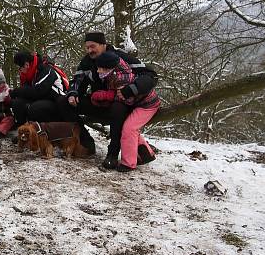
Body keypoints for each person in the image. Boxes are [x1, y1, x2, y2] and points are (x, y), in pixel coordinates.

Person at [58, 32, 158, 169]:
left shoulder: (120, 57)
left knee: (118, 108)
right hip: (100, 102)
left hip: (124, 103)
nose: (89, 50)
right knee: (63, 102)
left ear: (103, 45)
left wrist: (132, 89)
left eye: (92, 46)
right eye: (86, 47)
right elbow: (77, 81)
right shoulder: (87, 62)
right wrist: (73, 93)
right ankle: (85, 143)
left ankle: (112, 154)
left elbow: (150, 76)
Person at [90, 51, 159, 172]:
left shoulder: (122, 78)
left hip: (147, 105)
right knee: (126, 127)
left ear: (109, 68)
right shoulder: (115, 71)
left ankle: (128, 163)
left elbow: (125, 99)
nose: (98, 71)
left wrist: (104, 96)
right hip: (138, 103)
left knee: (129, 128)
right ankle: (146, 153)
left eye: (100, 68)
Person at [9, 49, 70, 126]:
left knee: (35, 109)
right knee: (17, 103)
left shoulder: (47, 70)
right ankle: (23, 129)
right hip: (41, 99)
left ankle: (44, 131)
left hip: (56, 100)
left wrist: (16, 92)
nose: (19, 71)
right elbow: (26, 90)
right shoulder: (29, 74)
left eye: (19, 68)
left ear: (26, 64)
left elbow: (38, 91)